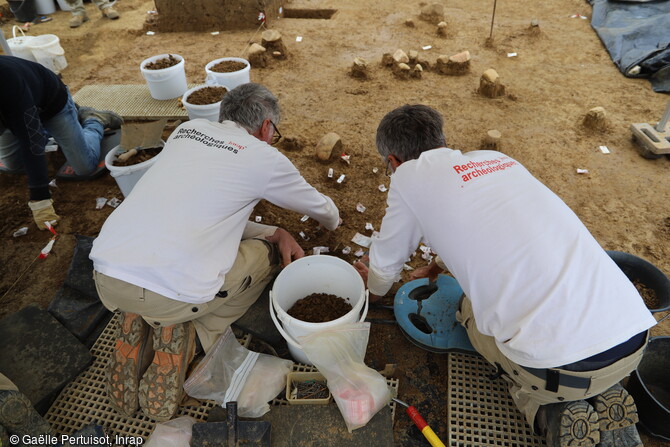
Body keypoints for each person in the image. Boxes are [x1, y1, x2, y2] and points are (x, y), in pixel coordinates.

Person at [354, 104, 655, 447]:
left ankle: (547, 412)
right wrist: (438, 265)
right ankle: (601, 387)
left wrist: (373, 291)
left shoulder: (408, 177)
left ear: (393, 161)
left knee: (468, 310)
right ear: (442, 139)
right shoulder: (498, 161)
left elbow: (385, 263)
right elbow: (495, 227)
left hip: (557, 370)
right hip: (633, 338)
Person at [89, 83, 341, 421]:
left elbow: (204, 212)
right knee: (265, 257)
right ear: (266, 127)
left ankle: (139, 318)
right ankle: (187, 331)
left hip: (106, 275)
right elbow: (327, 213)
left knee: (205, 238)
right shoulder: (263, 155)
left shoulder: (187, 130)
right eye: (274, 132)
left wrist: (275, 230)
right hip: (172, 293)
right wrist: (282, 235)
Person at [0, 56, 123, 230]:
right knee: (12, 165)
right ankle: (61, 134)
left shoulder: (7, 81)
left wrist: (40, 198)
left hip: (51, 104)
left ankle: (94, 120)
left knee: (84, 166)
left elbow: (31, 141)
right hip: (14, 115)